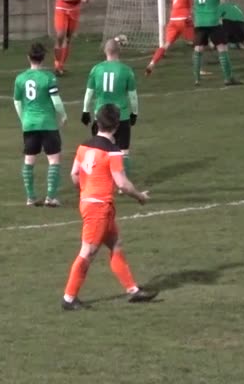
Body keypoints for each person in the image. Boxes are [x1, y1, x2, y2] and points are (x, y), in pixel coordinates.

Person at [61, 103, 158, 310]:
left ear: (97, 122)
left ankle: (133, 291)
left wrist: (85, 191)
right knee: (87, 252)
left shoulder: (83, 146)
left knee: (115, 244)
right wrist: (140, 196)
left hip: (92, 204)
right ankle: (68, 299)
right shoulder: (113, 152)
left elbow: (74, 175)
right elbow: (122, 183)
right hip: (99, 208)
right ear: (116, 126)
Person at [13, 42, 67, 207]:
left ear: (28, 58)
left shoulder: (20, 78)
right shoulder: (48, 77)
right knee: (53, 159)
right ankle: (50, 197)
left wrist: (23, 119)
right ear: (43, 59)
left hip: (29, 124)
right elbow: (56, 101)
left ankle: (30, 197)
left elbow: (17, 102)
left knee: (29, 159)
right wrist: (63, 115)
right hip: (48, 123)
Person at [82, 38, 139, 173]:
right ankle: (122, 183)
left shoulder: (96, 69)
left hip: (101, 115)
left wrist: (85, 111)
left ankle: (100, 177)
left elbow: (89, 93)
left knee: (100, 149)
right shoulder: (126, 70)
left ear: (105, 51)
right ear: (119, 51)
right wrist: (135, 113)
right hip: (122, 115)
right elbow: (133, 96)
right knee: (123, 150)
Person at [187, 0, 242, 86]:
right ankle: (228, 78)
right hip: (214, 21)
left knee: (198, 48)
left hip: (200, 21)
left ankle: (196, 79)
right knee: (222, 47)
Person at [146, 0, 195, 76]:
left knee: (166, 45)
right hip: (184, 19)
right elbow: (190, 5)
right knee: (197, 44)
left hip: (173, 19)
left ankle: (152, 63)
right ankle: (198, 69)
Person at [53, 0, 90, 74]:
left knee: (68, 38)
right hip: (62, 9)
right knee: (60, 35)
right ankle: (57, 62)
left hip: (74, 10)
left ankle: (61, 66)